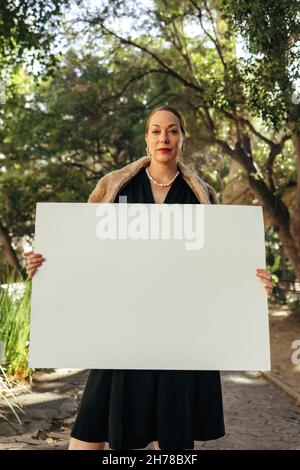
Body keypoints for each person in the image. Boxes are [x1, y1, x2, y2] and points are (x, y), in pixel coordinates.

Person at [23, 105, 274, 450]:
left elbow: (219, 266)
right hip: (122, 329)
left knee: (168, 442)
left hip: (179, 332)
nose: (164, 138)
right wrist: (46, 264)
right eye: (156, 131)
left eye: (172, 130)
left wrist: (253, 283)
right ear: (146, 139)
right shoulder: (114, 187)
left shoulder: (202, 197)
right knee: (87, 437)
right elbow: (84, 250)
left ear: (183, 139)